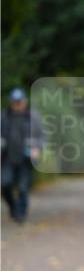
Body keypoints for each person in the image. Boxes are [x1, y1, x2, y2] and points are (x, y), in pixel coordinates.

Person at [1, 88, 42, 223]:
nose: (17, 104)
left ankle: (21, 214)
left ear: (25, 101)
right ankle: (13, 207)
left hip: (26, 159)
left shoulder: (33, 118)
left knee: (23, 188)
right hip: (7, 158)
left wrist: (37, 148)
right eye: (15, 102)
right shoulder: (4, 116)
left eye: (19, 102)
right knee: (5, 184)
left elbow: (41, 137)